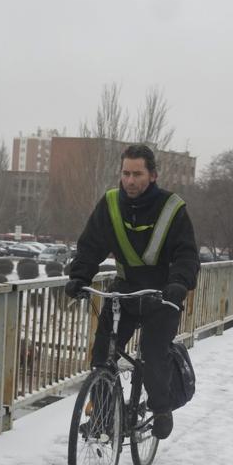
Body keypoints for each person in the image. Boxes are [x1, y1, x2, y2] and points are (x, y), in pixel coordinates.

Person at [64, 144, 200, 440]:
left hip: (163, 295)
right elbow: (90, 246)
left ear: (152, 175)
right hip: (124, 293)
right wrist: (79, 276)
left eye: (137, 174)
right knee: (102, 354)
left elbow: (187, 254)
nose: (130, 180)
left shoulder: (172, 208)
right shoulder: (110, 204)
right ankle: (101, 418)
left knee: (153, 354)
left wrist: (179, 283)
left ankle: (161, 408)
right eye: (126, 173)